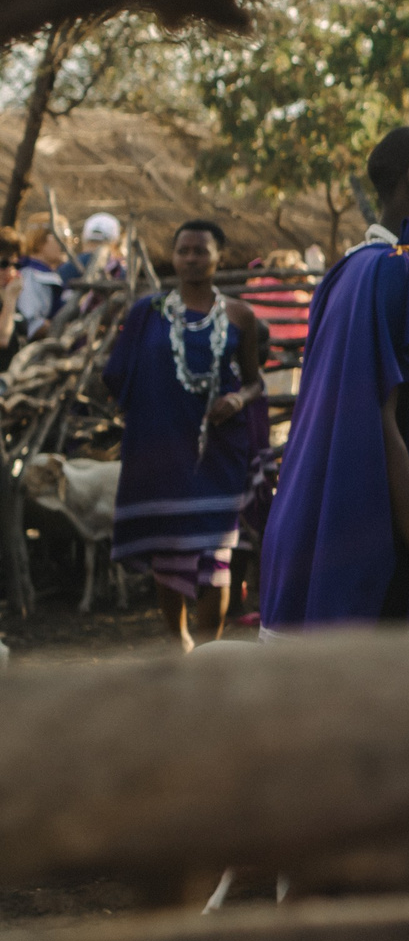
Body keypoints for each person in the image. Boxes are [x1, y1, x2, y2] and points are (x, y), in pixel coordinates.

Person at [257, 127, 409, 631]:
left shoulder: (350, 271)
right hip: (367, 552)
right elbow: (381, 429)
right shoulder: (394, 273)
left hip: (328, 535)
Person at [102, 219, 269, 649]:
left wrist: (236, 400)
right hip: (161, 451)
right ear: (174, 256)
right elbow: (117, 373)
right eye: (184, 251)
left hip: (217, 453)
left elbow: (255, 382)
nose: (191, 259)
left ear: (220, 258)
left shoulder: (240, 316)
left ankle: (208, 649)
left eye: (201, 251)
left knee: (216, 555)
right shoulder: (148, 312)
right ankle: (178, 642)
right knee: (169, 550)